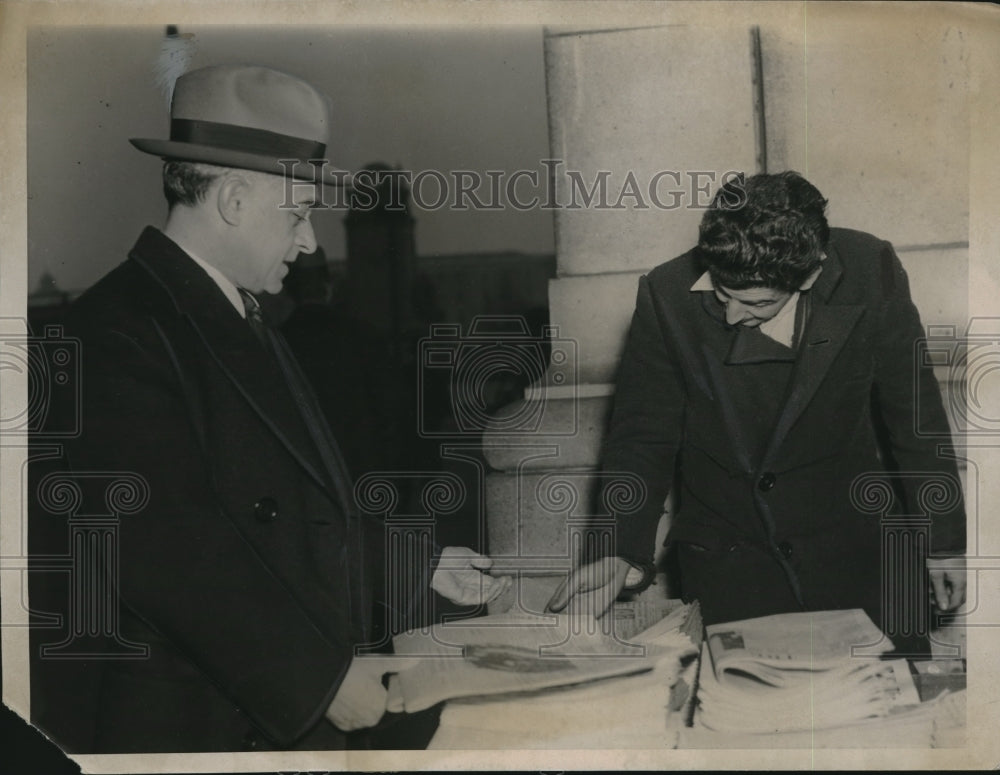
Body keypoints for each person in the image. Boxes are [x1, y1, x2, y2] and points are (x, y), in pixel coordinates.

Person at [34, 64, 510, 752]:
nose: (311, 241)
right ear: (232, 198)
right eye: (298, 212)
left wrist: (412, 561)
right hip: (199, 732)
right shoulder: (113, 333)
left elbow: (278, 508)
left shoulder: (228, 313)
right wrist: (318, 678)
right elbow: (169, 551)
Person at [547, 171, 966, 646]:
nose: (730, 315)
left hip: (861, 558)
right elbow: (642, 437)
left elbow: (915, 415)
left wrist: (944, 543)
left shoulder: (872, 270)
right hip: (733, 566)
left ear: (809, 275)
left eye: (757, 303)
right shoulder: (666, 295)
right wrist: (616, 550)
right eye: (722, 295)